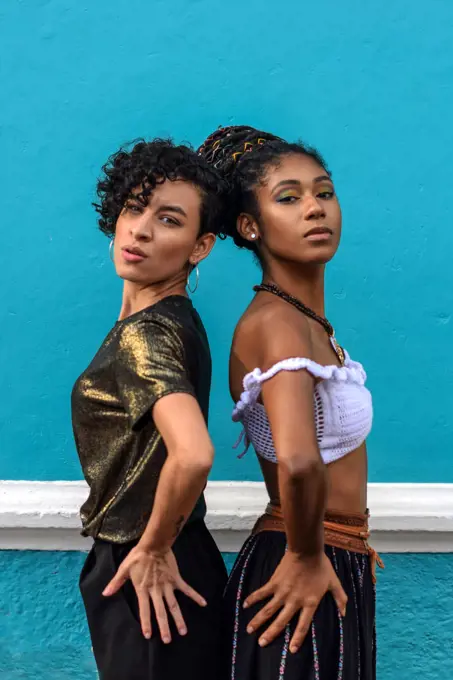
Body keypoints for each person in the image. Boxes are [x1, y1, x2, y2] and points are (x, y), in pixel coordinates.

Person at [199, 126, 382, 679]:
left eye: (323, 192)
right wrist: (305, 558)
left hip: (326, 556)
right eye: (289, 197)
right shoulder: (279, 323)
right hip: (301, 561)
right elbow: (300, 463)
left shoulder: (303, 322)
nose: (315, 209)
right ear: (250, 227)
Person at [72, 139, 228, 680]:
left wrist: (154, 546)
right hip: (171, 560)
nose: (140, 230)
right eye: (133, 208)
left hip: (149, 571)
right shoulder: (174, 318)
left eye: (168, 219)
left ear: (199, 246)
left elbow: (193, 454)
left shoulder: (149, 334)